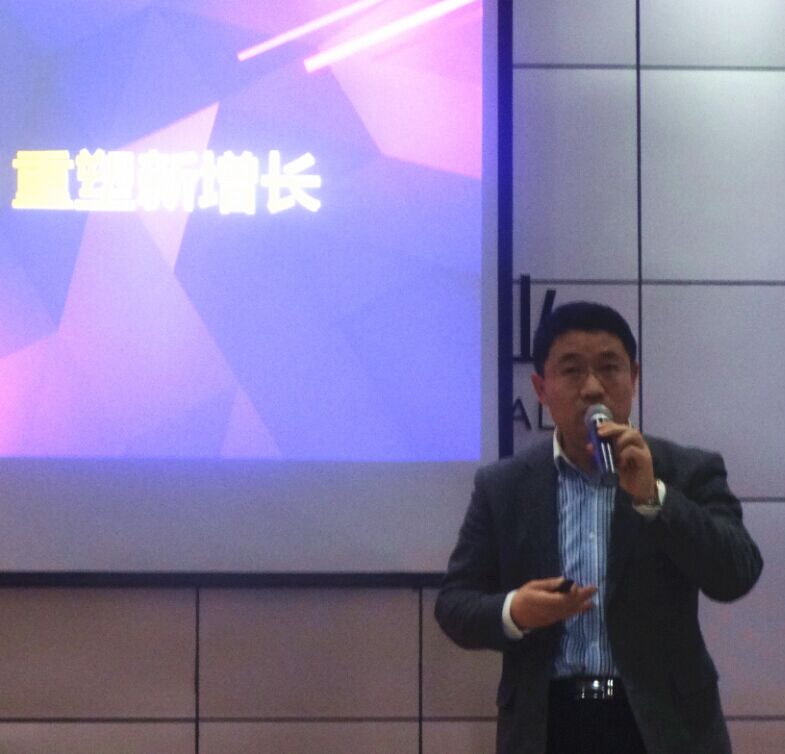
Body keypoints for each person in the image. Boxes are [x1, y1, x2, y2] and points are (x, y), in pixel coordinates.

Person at [435, 301, 763, 754]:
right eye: (571, 370)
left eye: (609, 368)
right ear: (541, 388)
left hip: (664, 725)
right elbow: (454, 604)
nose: (592, 388)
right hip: (547, 723)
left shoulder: (687, 470)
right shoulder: (504, 486)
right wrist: (515, 611)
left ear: (634, 377)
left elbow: (736, 573)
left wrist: (655, 498)